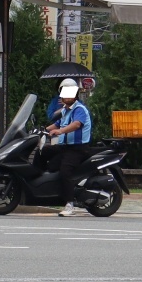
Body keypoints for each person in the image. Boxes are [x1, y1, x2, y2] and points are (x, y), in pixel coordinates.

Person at [41, 78, 91, 216]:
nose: (67, 96)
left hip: (78, 148)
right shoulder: (65, 110)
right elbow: (57, 124)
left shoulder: (79, 109)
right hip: (65, 147)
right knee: (44, 152)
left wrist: (60, 131)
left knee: (65, 171)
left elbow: (76, 124)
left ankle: (70, 204)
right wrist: (42, 130)